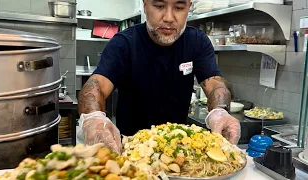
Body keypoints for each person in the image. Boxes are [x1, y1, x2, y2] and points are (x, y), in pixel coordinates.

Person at [78, 0, 240, 153]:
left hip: (178, 147)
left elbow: (214, 83)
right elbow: (96, 85)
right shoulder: (124, 43)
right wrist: (94, 117)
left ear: (189, 7)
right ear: (145, 4)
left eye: (178, 7)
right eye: (159, 6)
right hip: (131, 147)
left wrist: (220, 111)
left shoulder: (197, 41)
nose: (169, 18)